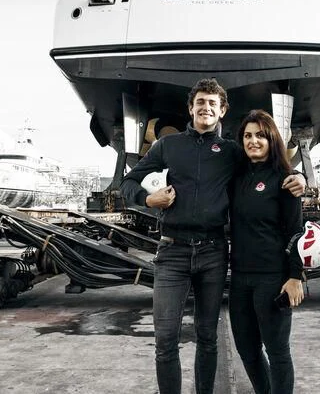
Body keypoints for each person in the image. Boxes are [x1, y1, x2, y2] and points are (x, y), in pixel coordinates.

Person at [119, 78, 305, 394]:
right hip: (173, 251)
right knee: (165, 339)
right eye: (200, 102)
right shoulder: (168, 146)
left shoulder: (232, 151)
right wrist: (149, 200)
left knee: (208, 337)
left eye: (213, 104)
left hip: (213, 251)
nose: (206, 108)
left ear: (222, 112)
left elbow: (267, 163)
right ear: (191, 108)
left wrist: (296, 176)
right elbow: (129, 182)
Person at [229, 109, 304, 394]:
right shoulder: (236, 178)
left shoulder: (285, 179)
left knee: (277, 351)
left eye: (260, 135)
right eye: (247, 136)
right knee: (247, 350)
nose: (253, 141)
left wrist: (296, 276)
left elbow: (295, 231)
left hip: (273, 279)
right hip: (239, 279)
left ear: (272, 139)